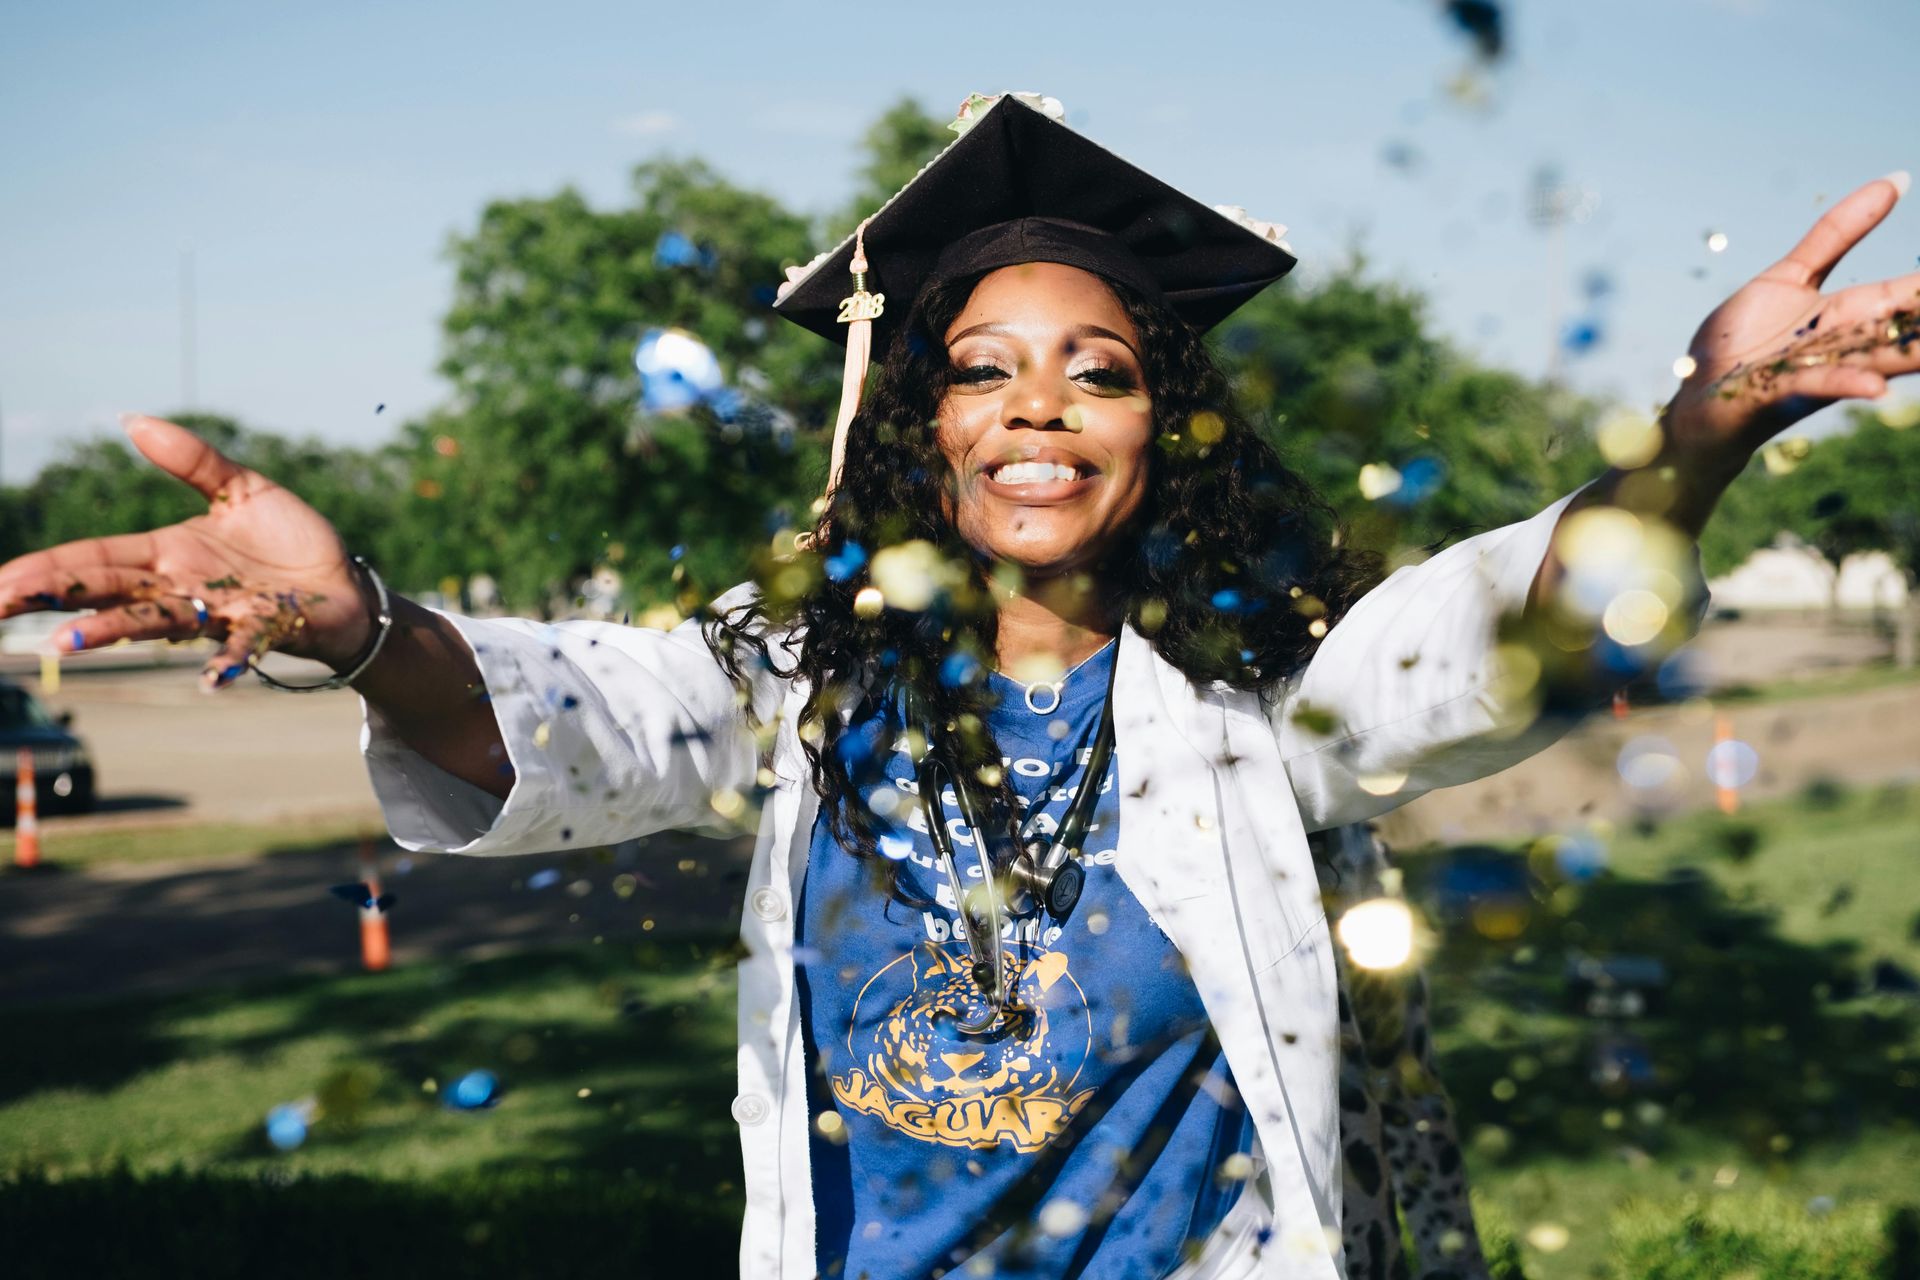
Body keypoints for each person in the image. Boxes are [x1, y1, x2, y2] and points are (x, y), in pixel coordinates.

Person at [2, 93, 1914, 1279]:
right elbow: (569, 714)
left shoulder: (1263, 709)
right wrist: (361, 629)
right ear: (913, 421)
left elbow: (1498, 630)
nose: (1039, 412)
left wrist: (1703, 431)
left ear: (1166, 423)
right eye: (983, 367)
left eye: (1101, 369)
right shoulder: (798, 688)